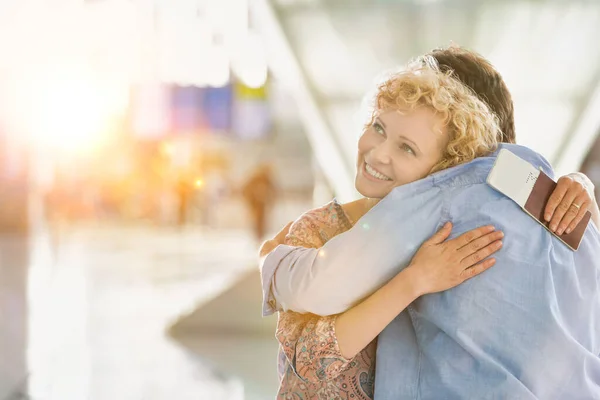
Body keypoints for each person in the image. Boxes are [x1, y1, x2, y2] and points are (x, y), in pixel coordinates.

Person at [260, 46, 600, 399]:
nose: (379, 153)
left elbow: (318, 287)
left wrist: (270, 260)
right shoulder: (551, 198)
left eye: (409, 146)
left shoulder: (449, 195)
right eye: (378, 126)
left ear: (457, 145)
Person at [242, 163, 276, 241]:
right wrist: (251, 198)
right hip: (254, 203)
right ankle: (257, 237)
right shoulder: (254, 178)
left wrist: (270, 201)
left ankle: (260, 237)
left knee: (262, 220)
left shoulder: (267, 179)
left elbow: (274, 190)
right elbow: (245, 189)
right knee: (256, 220)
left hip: (262, 204)